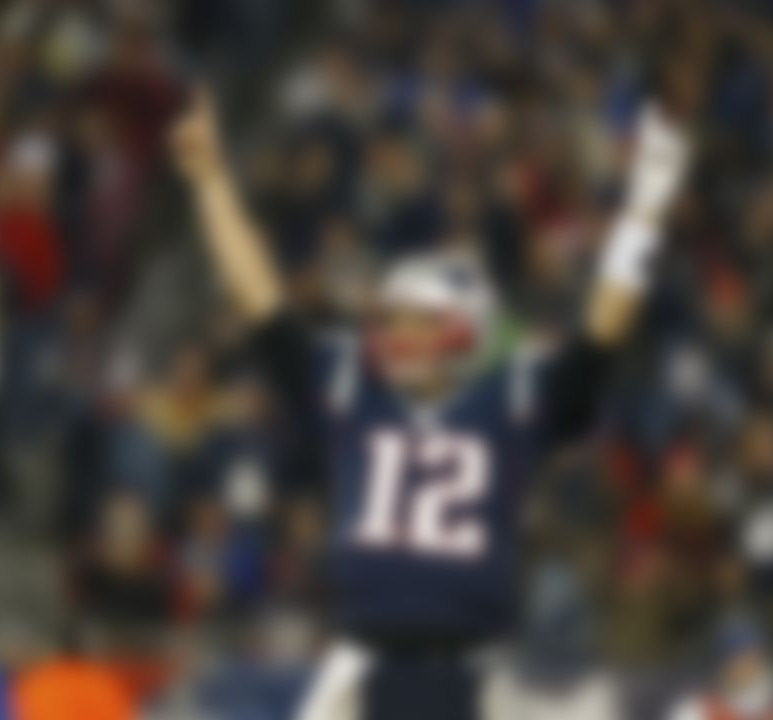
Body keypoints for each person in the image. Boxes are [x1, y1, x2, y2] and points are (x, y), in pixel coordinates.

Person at [169, 88, 691, 720]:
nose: (397, 334)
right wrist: (211, 182)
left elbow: (601, 337)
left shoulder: (513, 396)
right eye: (393, 319)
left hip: (477, 668)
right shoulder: (350, 382)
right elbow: (260, 302)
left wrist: (646, 209)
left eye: (417, 321)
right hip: (359, 662)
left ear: (463, 330)